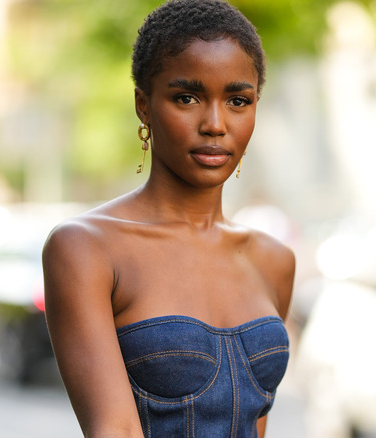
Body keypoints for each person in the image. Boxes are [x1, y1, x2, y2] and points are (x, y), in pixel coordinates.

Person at [41, 1, 296, 437]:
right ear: (144, 105)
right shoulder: (85, 248)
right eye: (187, 98)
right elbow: (114, 430)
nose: (215, 124)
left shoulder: (273, 260)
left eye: (238, 100)